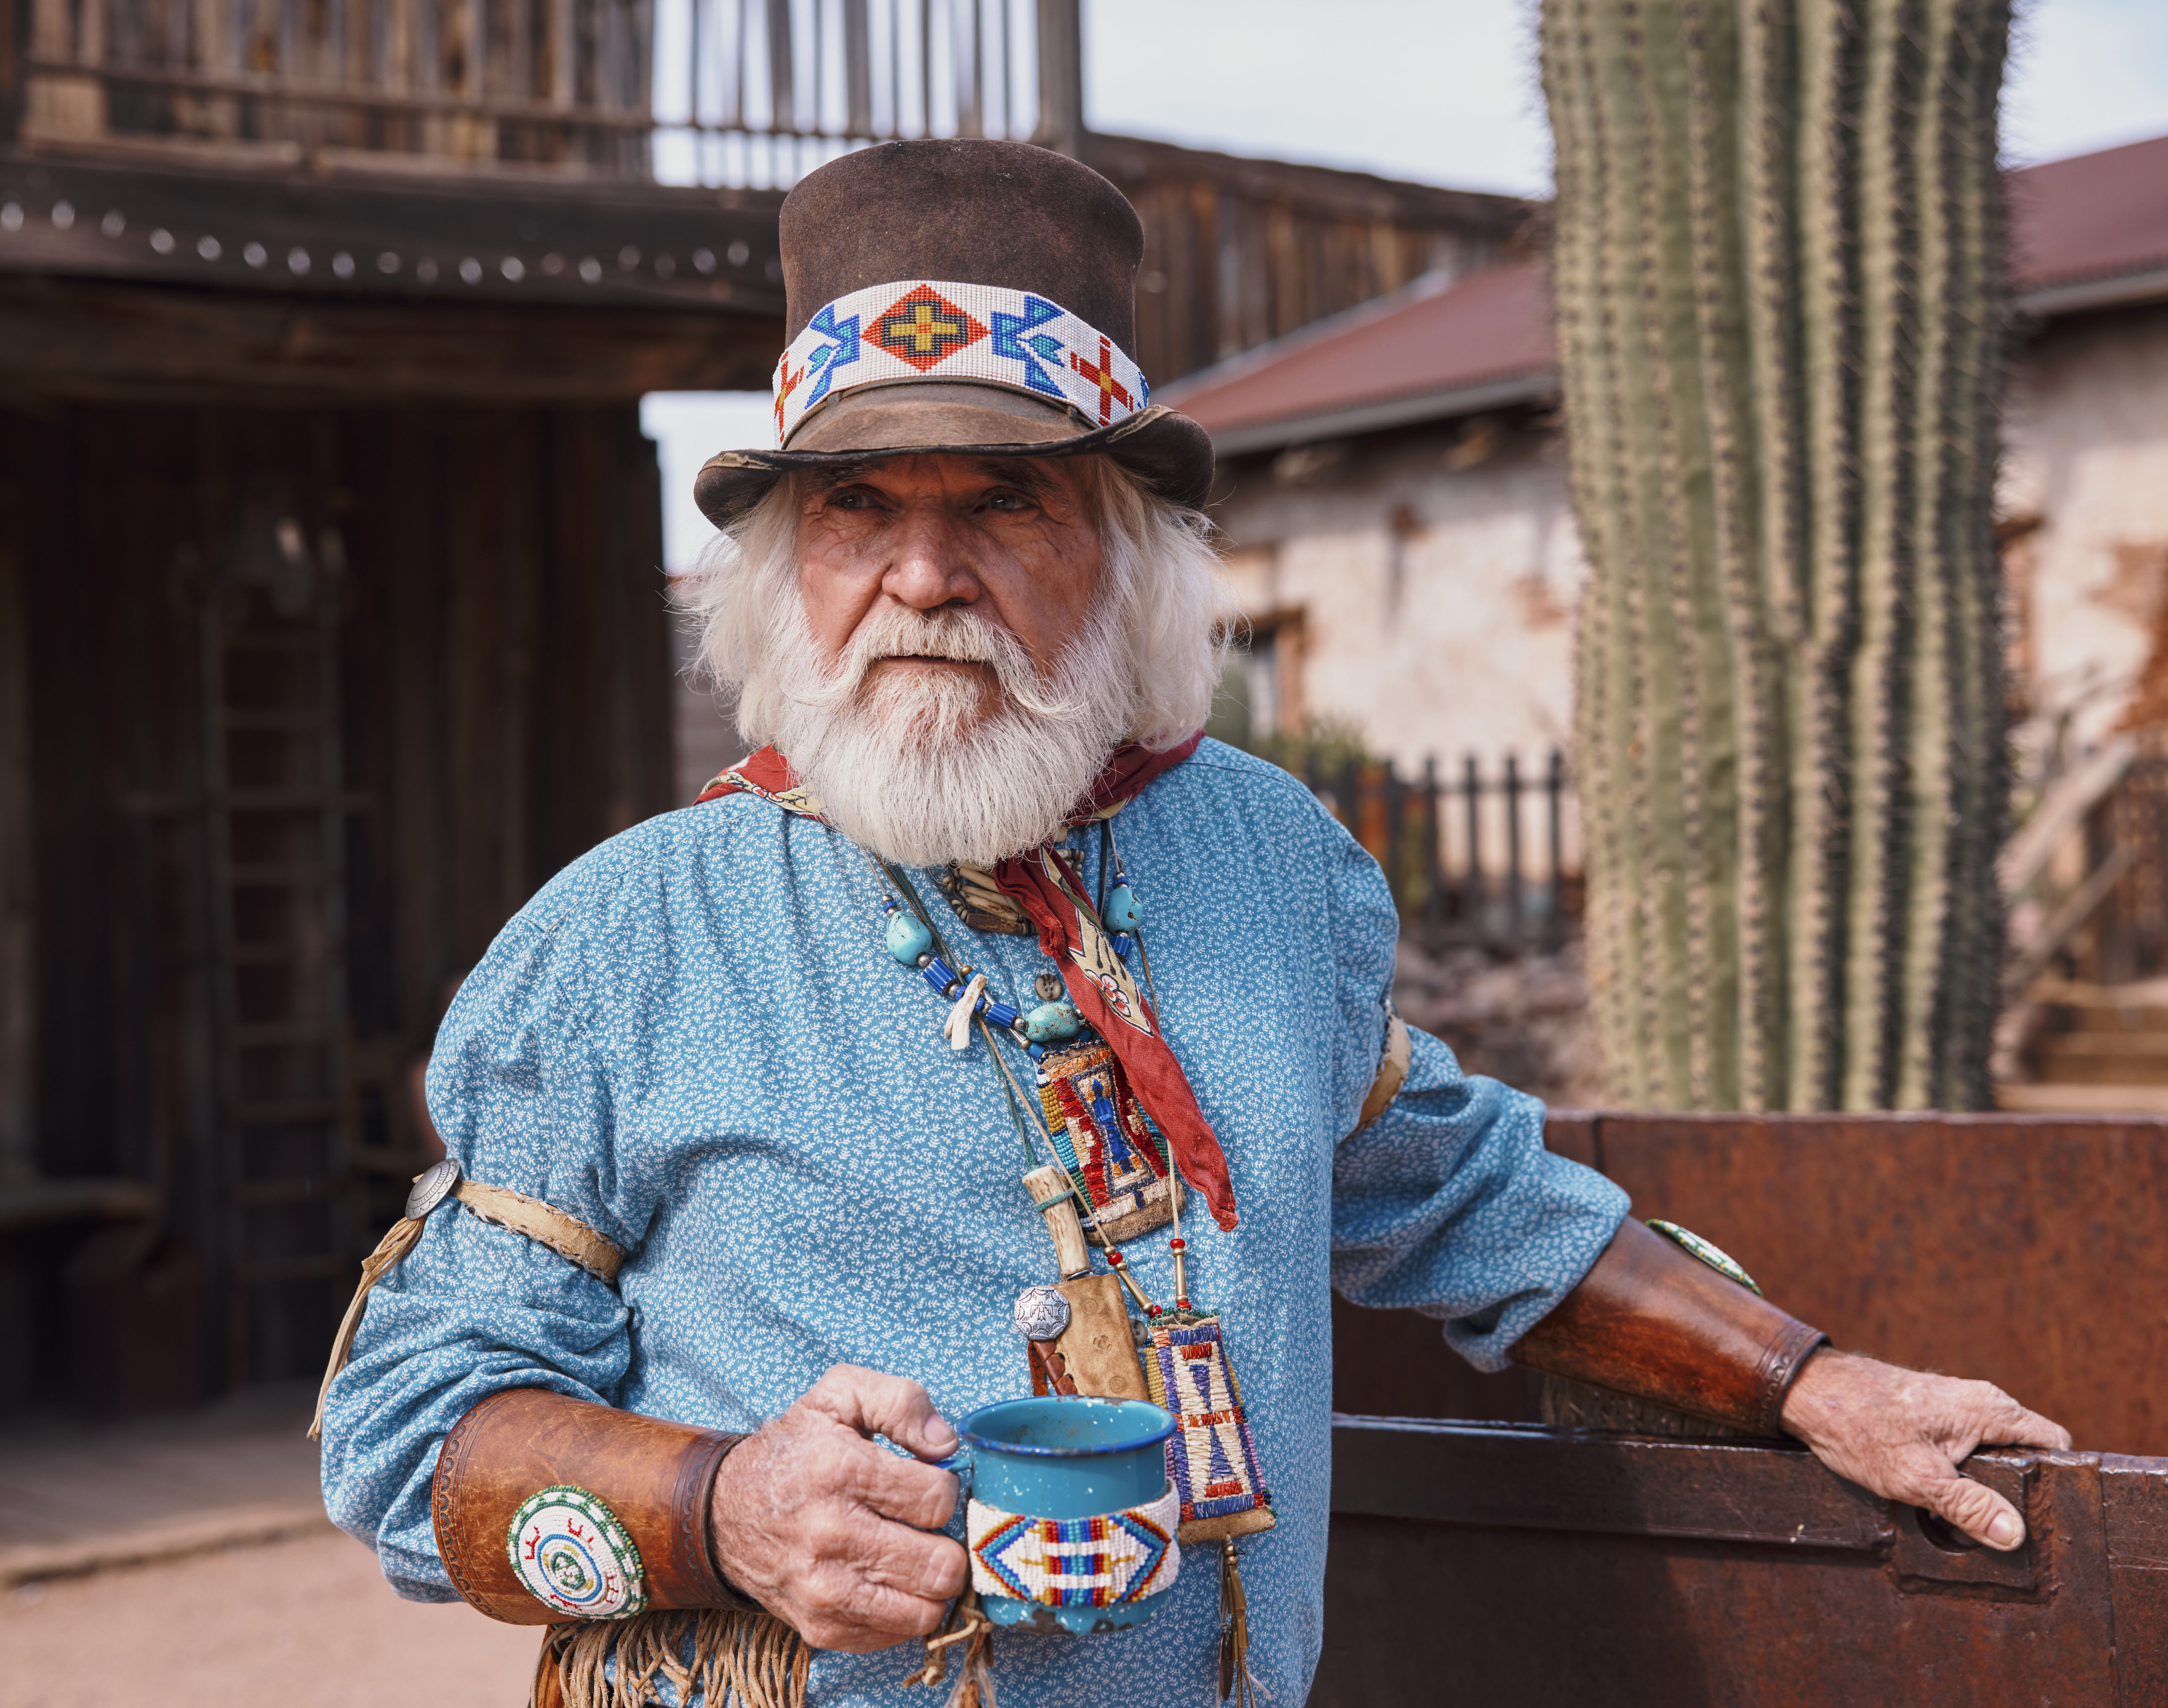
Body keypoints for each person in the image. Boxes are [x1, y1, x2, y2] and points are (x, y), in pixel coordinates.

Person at [315, 139, 2068, 1708]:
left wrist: (1810, 1382)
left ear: (1130, 552)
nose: (923, 578)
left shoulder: (1268, 861)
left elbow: (1463, 1193)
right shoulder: (627, 936)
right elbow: (404, 1436)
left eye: (1004, 498)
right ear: (781, 567)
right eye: (856, 505)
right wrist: (725, 1507)